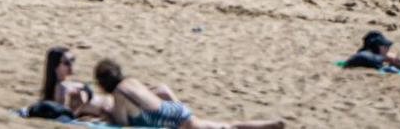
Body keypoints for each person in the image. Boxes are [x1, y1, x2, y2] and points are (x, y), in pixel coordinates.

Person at [89, 59, 284, 129]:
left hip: (168, 119)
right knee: (224, 125)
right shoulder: (131, 81)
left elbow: (122, 123)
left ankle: (269, 125)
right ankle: (268, 125)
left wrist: (108, 115)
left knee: (225, 127)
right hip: (171, 109)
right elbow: (160, 90)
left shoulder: (119, 93)